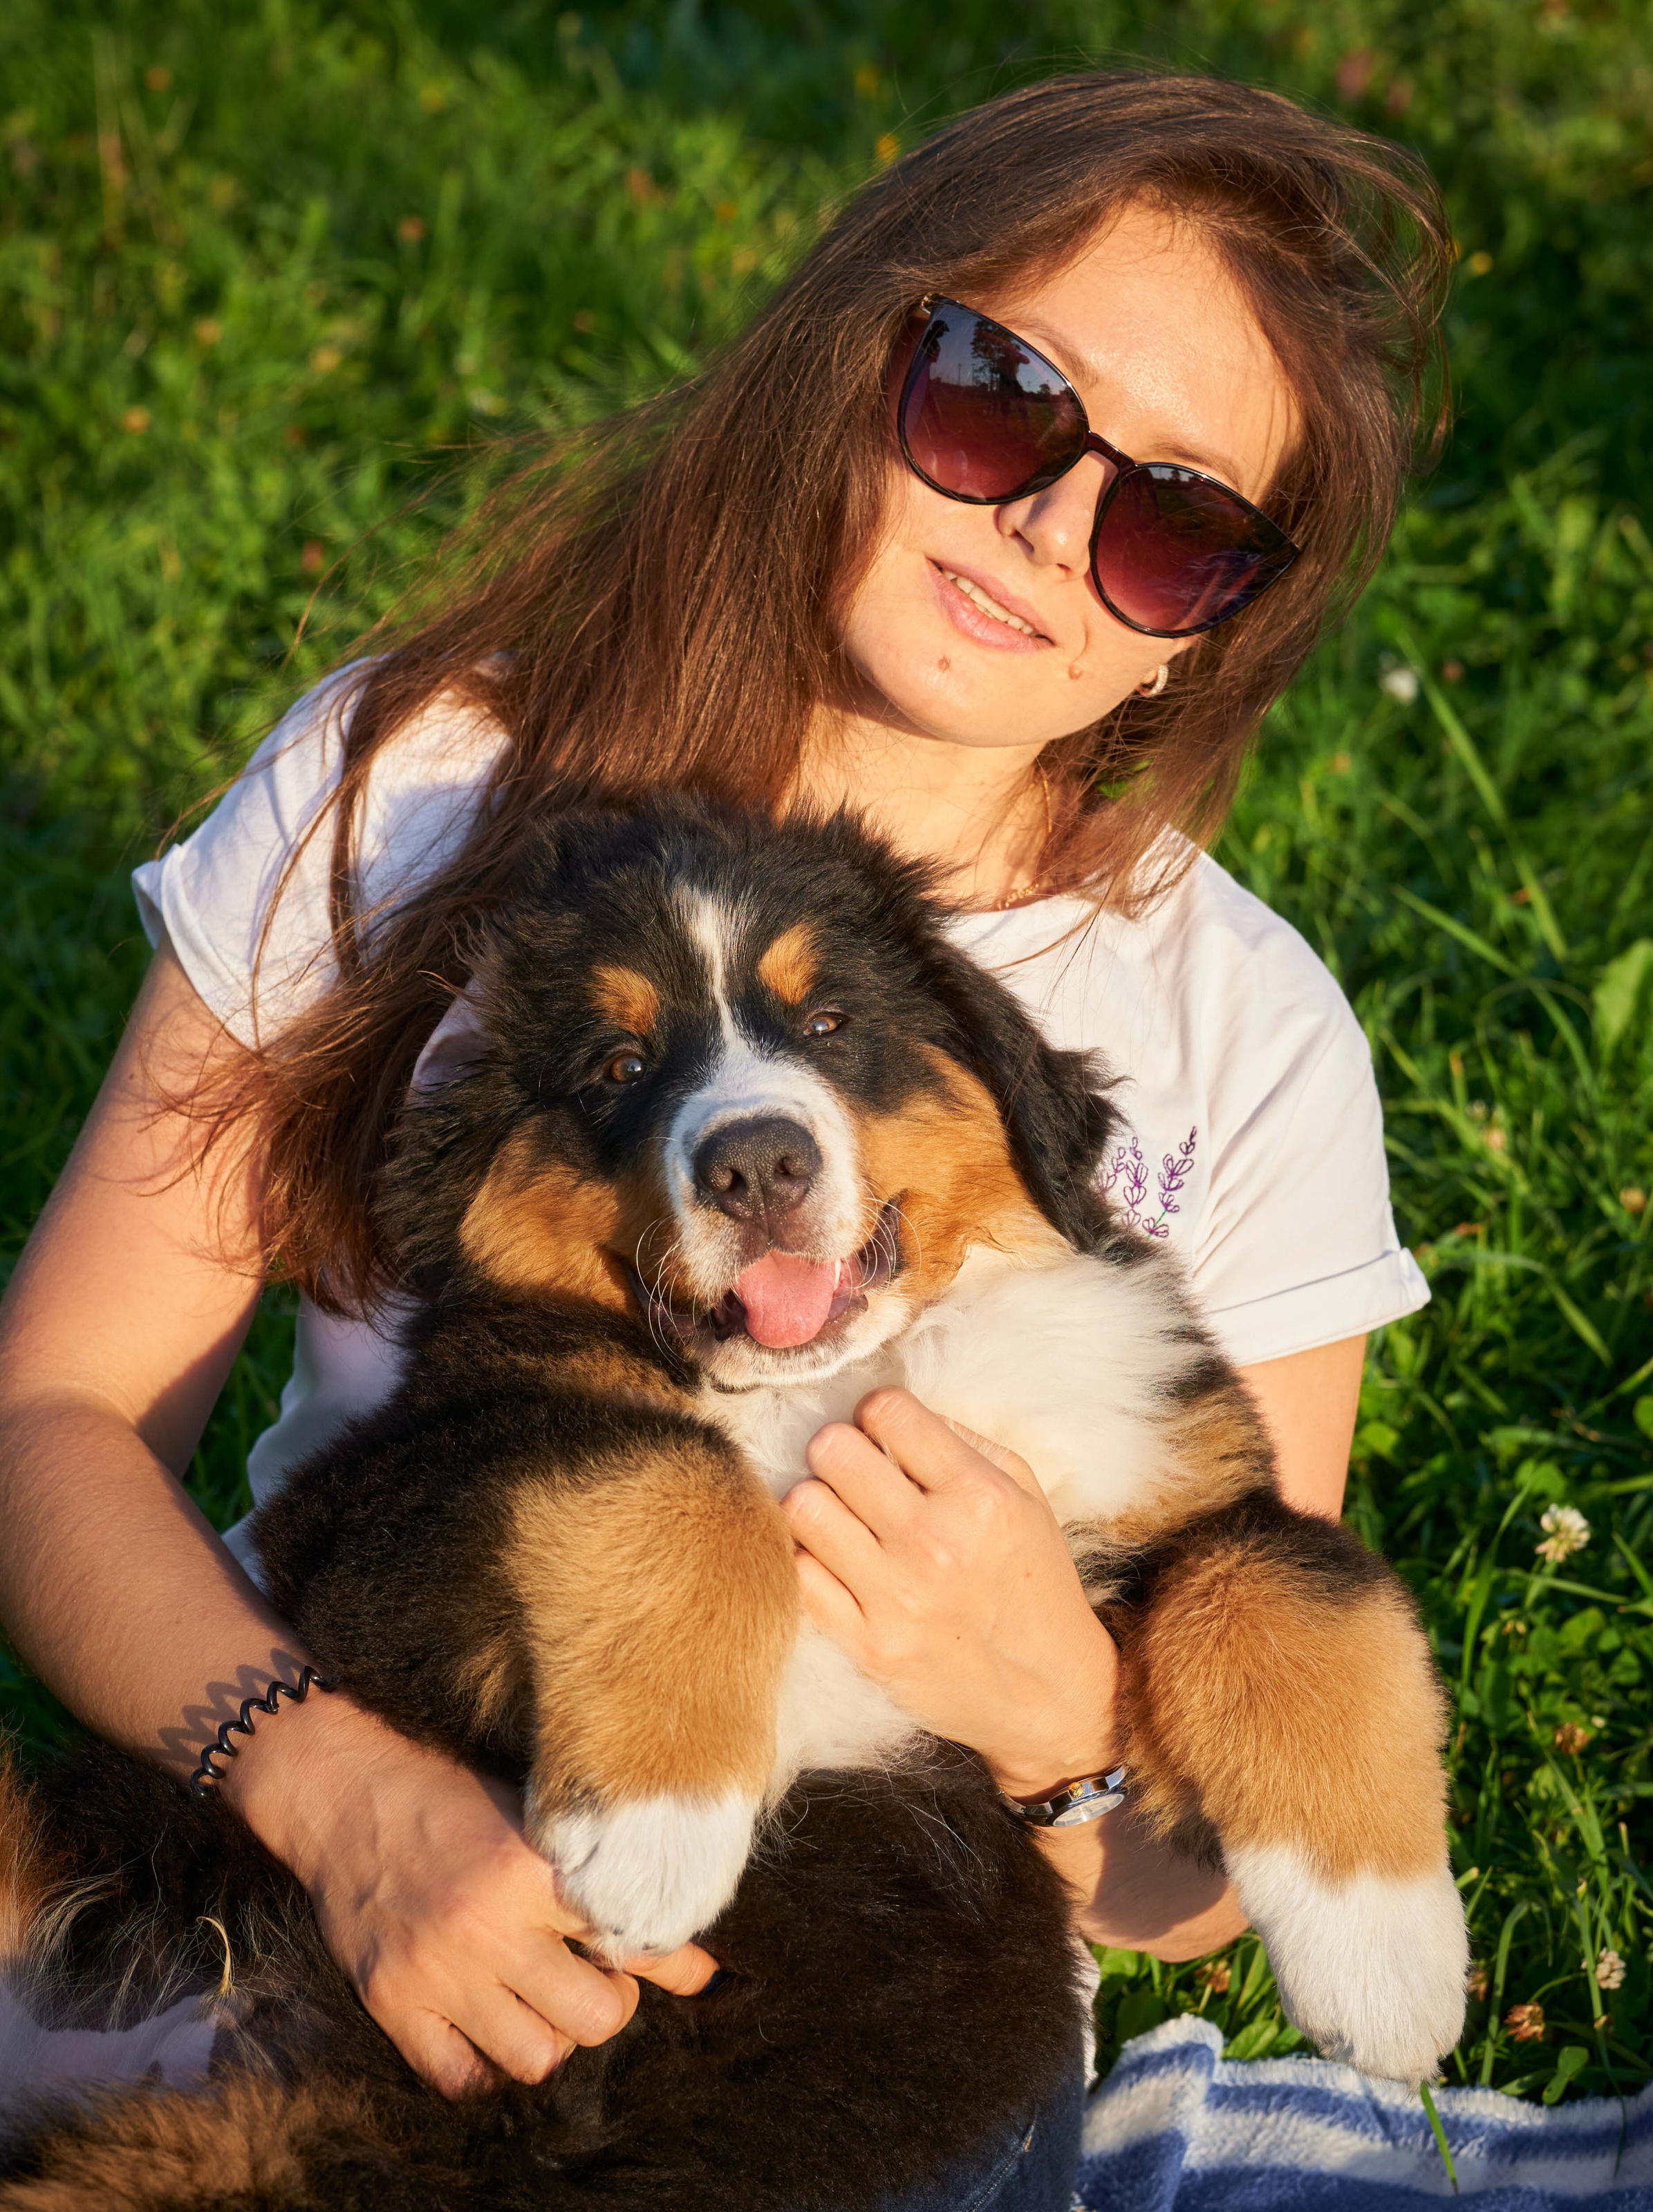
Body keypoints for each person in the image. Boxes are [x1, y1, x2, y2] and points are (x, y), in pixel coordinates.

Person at [0, 68, 1448, 2209]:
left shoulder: (1249, 1031)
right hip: (280, 1772)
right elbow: (53, 1415)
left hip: (838, 2000)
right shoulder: (417, 785)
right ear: (864, 348)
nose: (1053, 531)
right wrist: (348, 1805)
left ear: (1217, 618)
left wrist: (1060, 1717)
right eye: (998, 400)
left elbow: (1195, 1890)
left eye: (1173, 523)